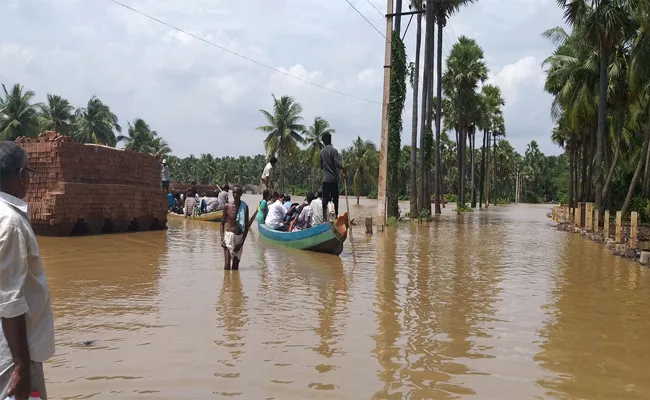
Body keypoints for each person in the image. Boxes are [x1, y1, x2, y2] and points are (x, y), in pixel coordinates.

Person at [0, 142, 54, 400]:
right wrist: (21, 365)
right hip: (15, 353)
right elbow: (11, 300)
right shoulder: (10, 223)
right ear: (22, 175)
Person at [220, 185, 249, 270]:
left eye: (237, 193)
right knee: (227, 266)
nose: (235, 195)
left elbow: (246, 227)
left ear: (241, 194)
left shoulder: (244, 207)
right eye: (234, 193)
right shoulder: (227, 206)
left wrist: (242, 242)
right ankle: (227, 282)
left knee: (235, 267)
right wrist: (222, 239)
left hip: (239, 237)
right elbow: (222, 224)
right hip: (229, 237)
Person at [319, 132, 346, 222]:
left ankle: (324, 219)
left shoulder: (321, 152)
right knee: (335, 199)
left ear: (323, 141)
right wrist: (343, 168)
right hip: (333, 180)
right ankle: (336, 217)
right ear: (330, 140)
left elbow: (321, 166)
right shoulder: (334, 151)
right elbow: (337, 163)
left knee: (325, 200)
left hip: (325, 180)